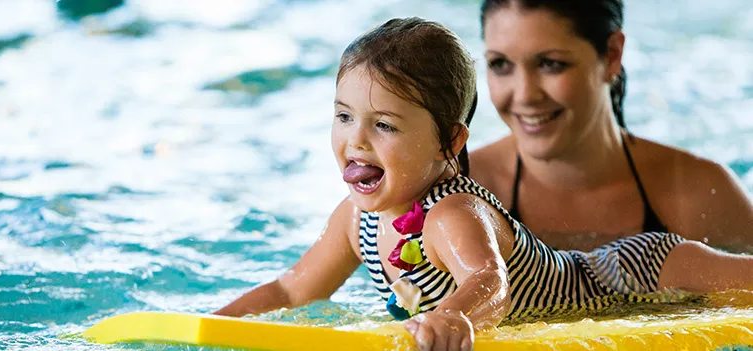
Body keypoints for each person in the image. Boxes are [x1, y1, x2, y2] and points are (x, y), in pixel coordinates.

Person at [215, 17, 753, 351]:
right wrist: (212, 326)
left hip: (631, 273)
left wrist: (451, 316)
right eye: (343, 117)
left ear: (450, 141)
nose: (357, 142)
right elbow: (292, 290)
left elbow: (489, 280)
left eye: (384, 125)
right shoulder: (354, 220)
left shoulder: (451, 213)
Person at [469, 0, 753, 252]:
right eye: (500, 64)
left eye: (550, 63)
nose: (525, 95)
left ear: (612, 55)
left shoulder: (702, 195)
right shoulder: (464, 191)